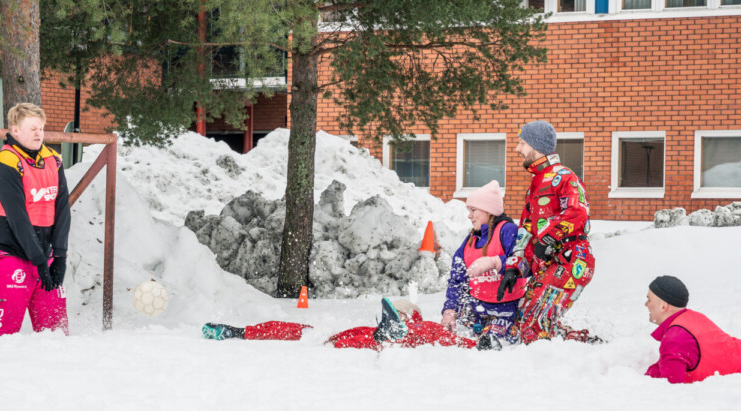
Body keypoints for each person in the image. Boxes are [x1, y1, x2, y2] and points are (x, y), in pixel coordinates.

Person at [0, 103, 70, 335]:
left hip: (41, 251)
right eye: (32, 128)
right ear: (15, 130)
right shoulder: (6, 163)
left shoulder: (53, 160)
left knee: (55, 328)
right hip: (7, 249)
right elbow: (17, 218)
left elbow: (62, 209)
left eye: (41, 128)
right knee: (3, 332)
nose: (39, 133)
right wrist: (40, 261)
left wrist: (58, 255)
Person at [511, 121, 595, 344]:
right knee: (521, 324)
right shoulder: (535, 185)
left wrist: (548, 237)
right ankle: (580, 343)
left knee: (534, 326)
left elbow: (578, 211)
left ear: (536, 145)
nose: (517, 149)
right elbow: (527, 233)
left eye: (522, 143)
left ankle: (554, 367)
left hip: (571, 261)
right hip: (547, 265)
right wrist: (514, 269)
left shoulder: (564, 176)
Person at [438, 180, 528, 349]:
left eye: (473, 210)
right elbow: (457, 279)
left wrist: (495, 261)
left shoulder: (508, 230)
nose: (469, 215)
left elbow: (526, 262)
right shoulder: (471, 240)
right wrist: (450, 310)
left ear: (488, 210)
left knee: (490, 343)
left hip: (507, 310)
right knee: (453, 338)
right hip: (477, 310)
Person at [202, 298, 478, 351]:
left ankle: (390, 337)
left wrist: (480, 343)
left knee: (370, 340)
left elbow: (456, 342)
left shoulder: (428, 329)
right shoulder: (371, 328)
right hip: (345, 336)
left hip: (389, 341)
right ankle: (234, 331)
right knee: (293, 329)